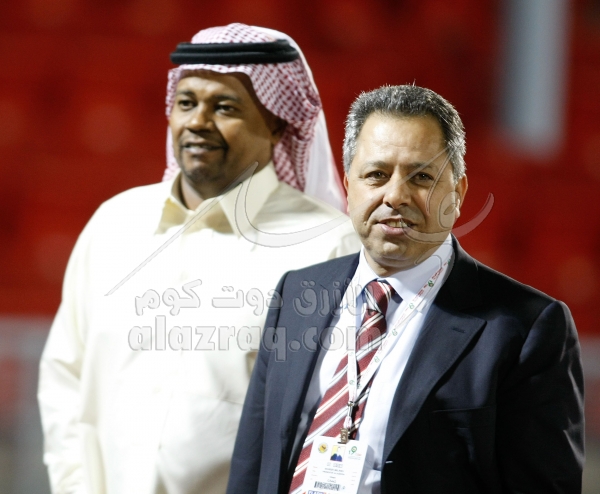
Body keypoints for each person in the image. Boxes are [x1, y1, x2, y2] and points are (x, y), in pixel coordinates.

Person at [38, 23, 360, 494]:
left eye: (224, 107)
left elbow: (332, 414)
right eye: (186, 103)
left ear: (278, 123)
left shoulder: (327, 246)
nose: (198, 122)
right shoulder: (114, 225)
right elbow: (64, 378)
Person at [227, 85, 585, 494]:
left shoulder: (526, 327)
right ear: (348, 187)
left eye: (422, 177)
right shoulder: (296, 293)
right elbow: (253, 461)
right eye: (376, 175)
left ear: (457, 194)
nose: (395, 196)